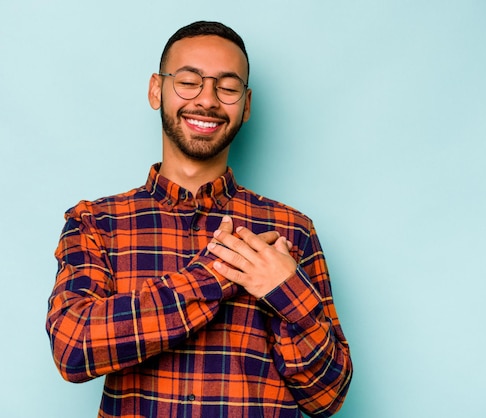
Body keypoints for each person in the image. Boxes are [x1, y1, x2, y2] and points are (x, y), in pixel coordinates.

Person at [46, 21, 352, 417]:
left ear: (246, 105)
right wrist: (211, 278)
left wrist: (286, 291)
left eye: (227, 87)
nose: (207, 100)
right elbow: (72, 347)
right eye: (188, 81)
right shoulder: (95, 222)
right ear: (156, 90)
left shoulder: (291, 230)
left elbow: (327, 397)